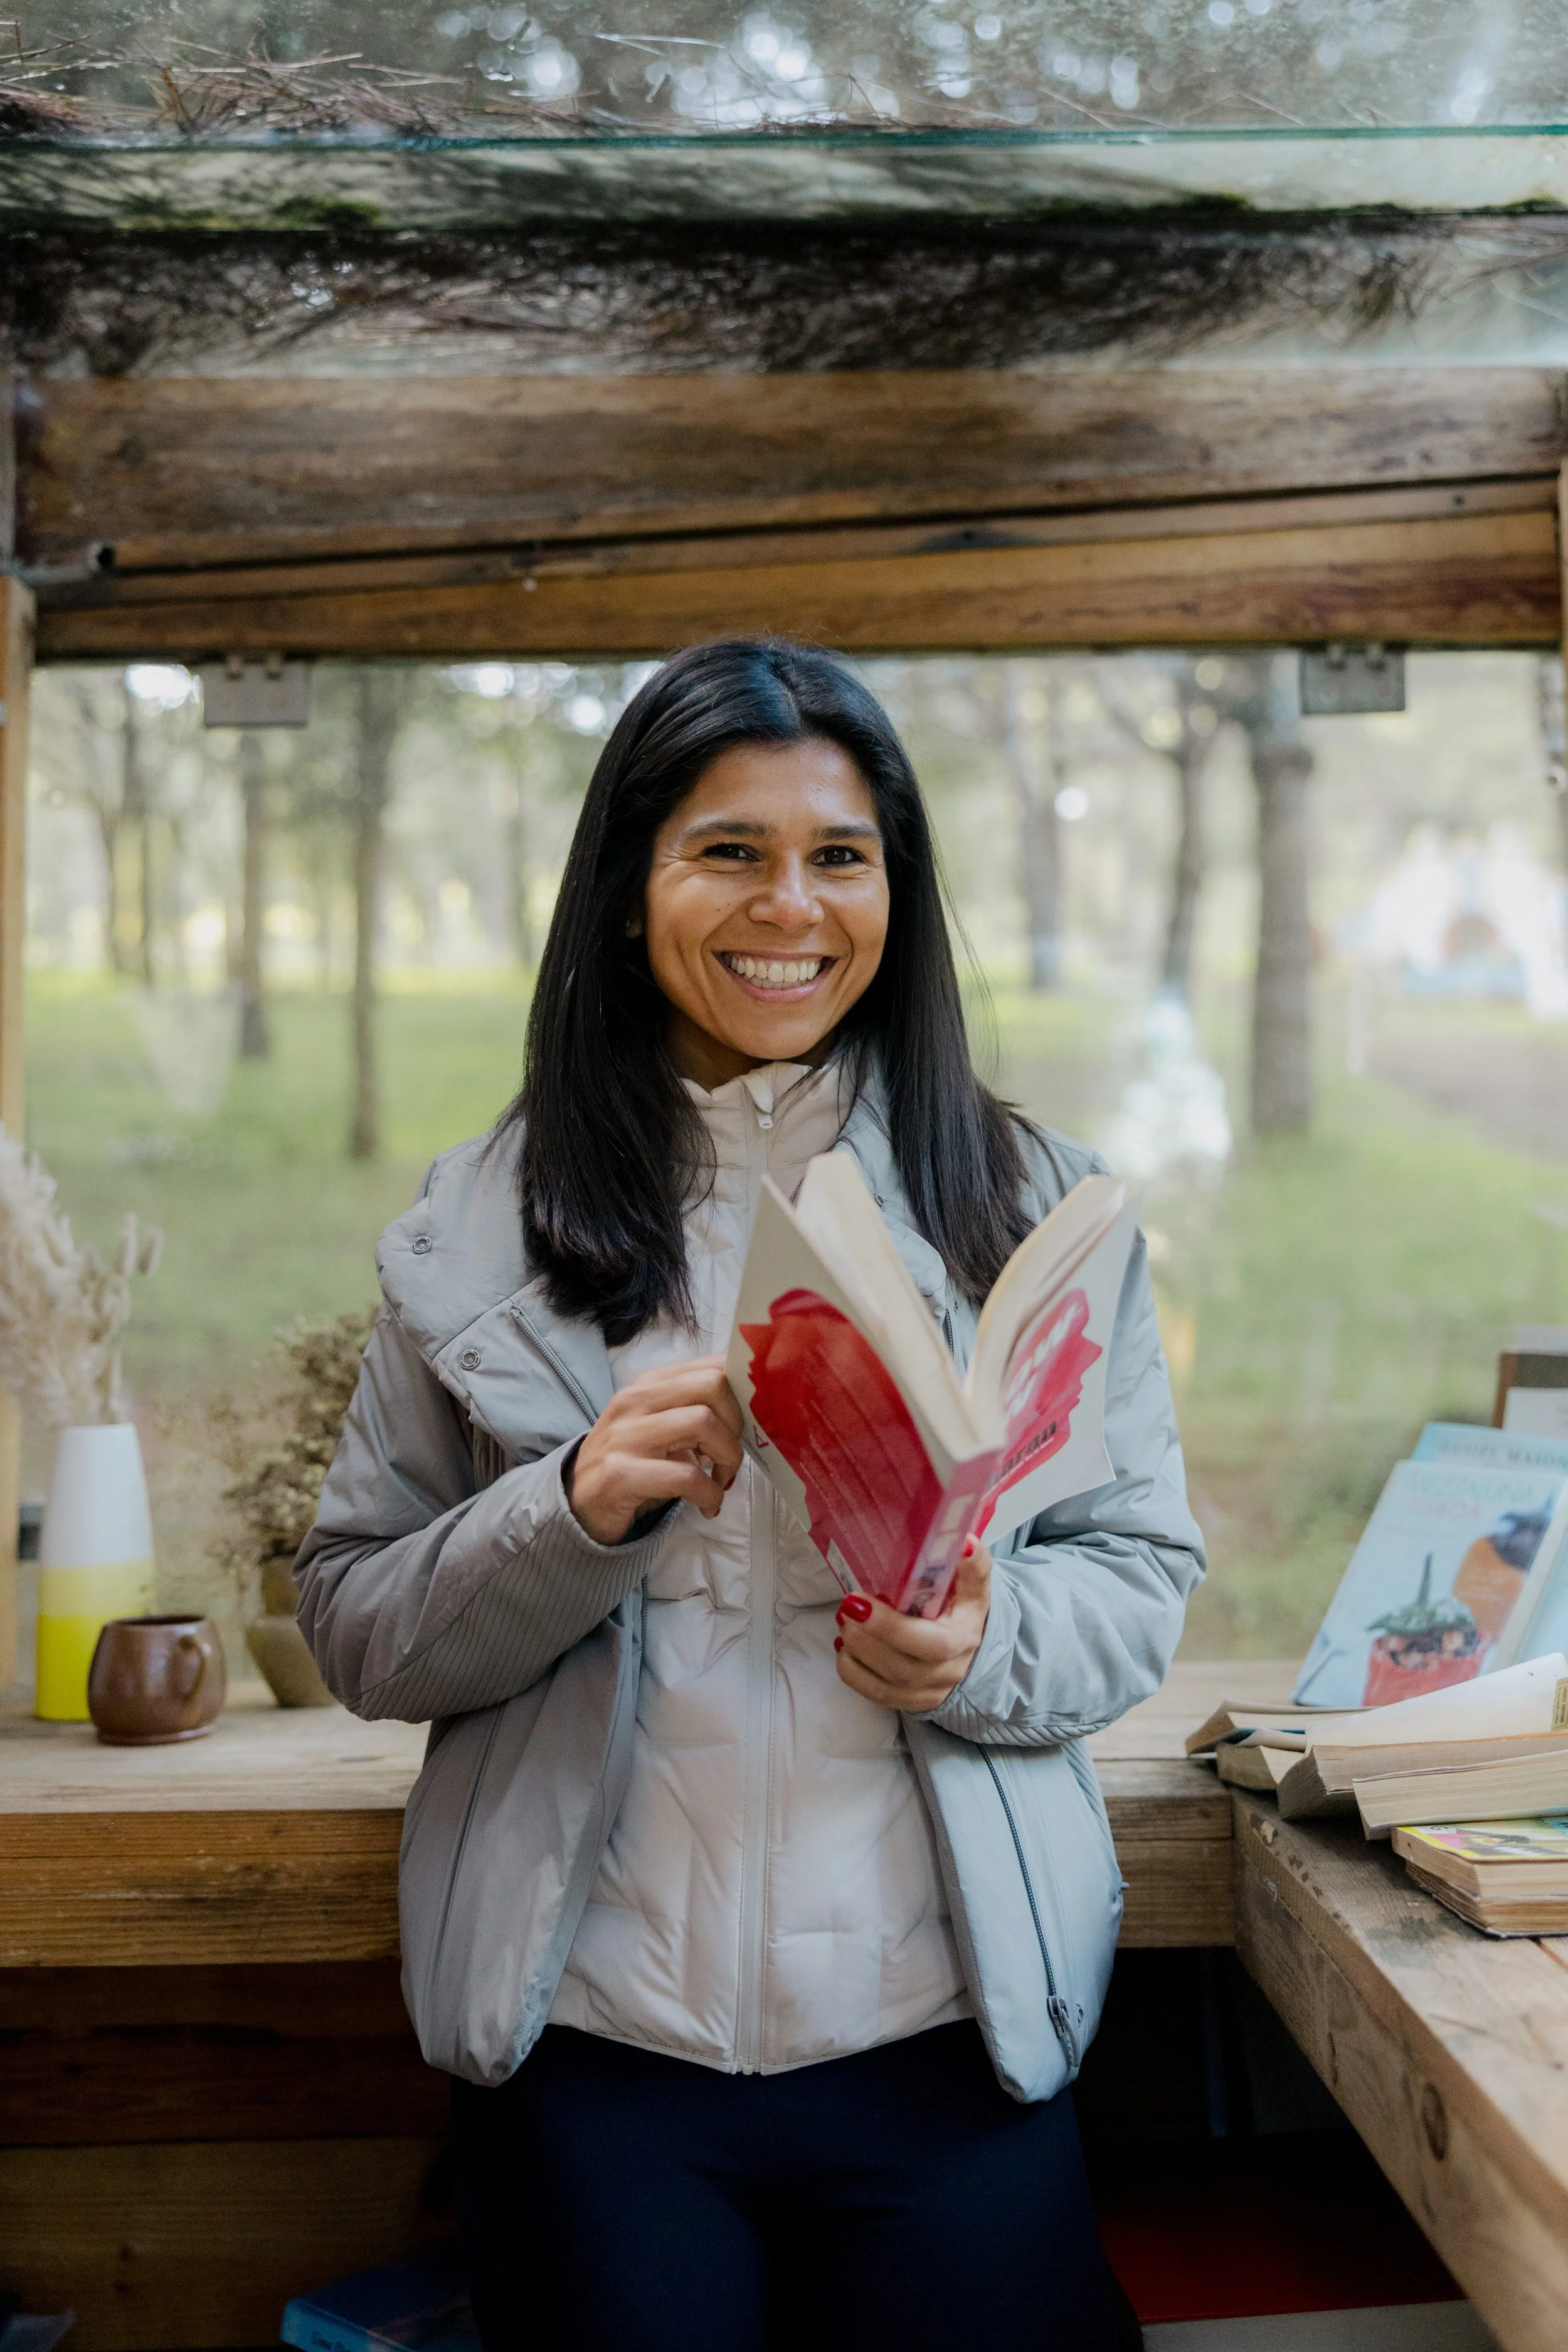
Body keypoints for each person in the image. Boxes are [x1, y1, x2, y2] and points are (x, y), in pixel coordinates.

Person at [295, 639, 1204, 2352]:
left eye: (838, 855)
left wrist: (987, 1632)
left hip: (950, 2033)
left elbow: (1139, 1571)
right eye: (726, 849)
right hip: (593, 2056)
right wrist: (561, 1509)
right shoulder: (472, 1227)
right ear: (627, 881)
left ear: (895, 888)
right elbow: (351, 1619)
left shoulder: (1038, 1206)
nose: (789, 905)